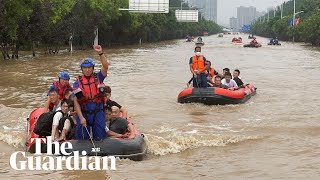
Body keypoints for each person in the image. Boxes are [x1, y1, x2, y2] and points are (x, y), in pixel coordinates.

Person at [73, 45, 109, 140]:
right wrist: (81, 118)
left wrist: (100, 53)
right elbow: (76, 102)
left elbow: (105, 66)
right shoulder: (77, 82)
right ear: (82, 69)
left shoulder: (99, 77)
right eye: (85, 68)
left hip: (98, 111)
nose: (87, 70)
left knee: (100, 136)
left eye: (89, 67)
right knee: (82, 138)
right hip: (84, 112)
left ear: (93, 68)